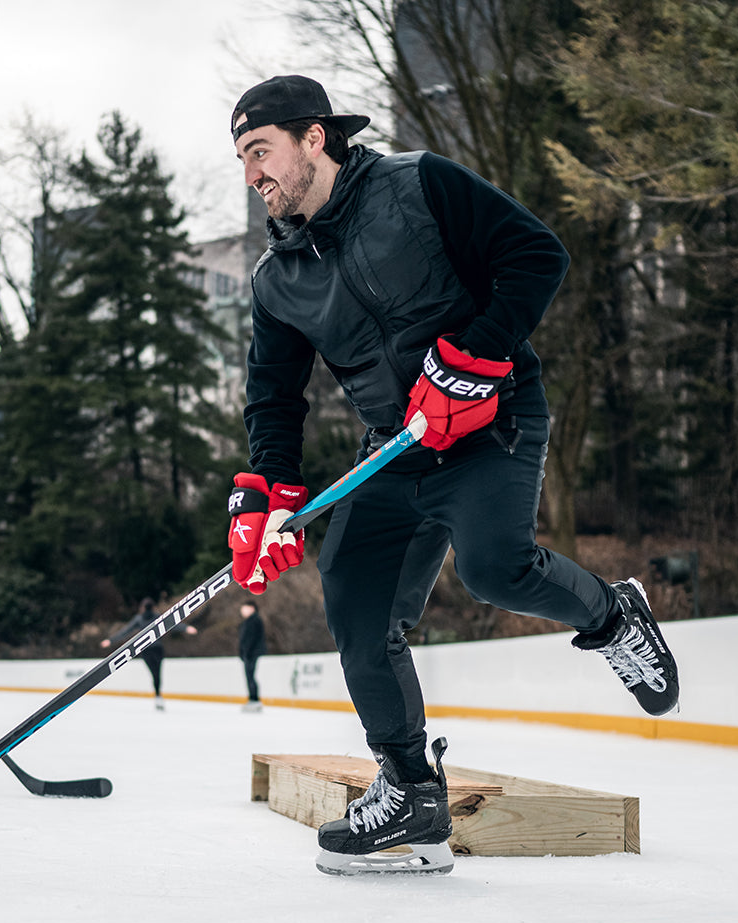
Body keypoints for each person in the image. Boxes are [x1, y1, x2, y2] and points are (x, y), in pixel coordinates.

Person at [225, 75, 679, 875]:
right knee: (356, 608)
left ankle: (613, 615)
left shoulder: (418, 183)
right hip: (391, 448)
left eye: (260, 151)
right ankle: (409, 790)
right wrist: (266, 495)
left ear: (314, 138)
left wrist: (477, 354)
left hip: (491, 418)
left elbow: (537, 255)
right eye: (241, 159)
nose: (252, 173)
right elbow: (272, 400)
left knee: (495, 570)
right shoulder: (276, 279)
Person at [100, 598, 197, 711]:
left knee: (154, 674)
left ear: (142, 608)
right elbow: (171, 623)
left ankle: (158, 696)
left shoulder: (140, 618)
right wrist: (186, 628)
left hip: (147, 650)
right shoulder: (156, 616)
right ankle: (158, 696)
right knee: (157, 674)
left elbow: (126, 631)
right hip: (157, 649)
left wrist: (110, 641)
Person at [237, 601, 265, 712]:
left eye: (245, 608)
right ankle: (252, 698)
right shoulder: (248, 621)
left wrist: (247, 652)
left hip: (252, 653)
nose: (242, 611)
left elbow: (251, 639)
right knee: (249, 676)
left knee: (250, 676)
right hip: (248, 653)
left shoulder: (254, 621)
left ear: (252, 608)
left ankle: (254, 699)